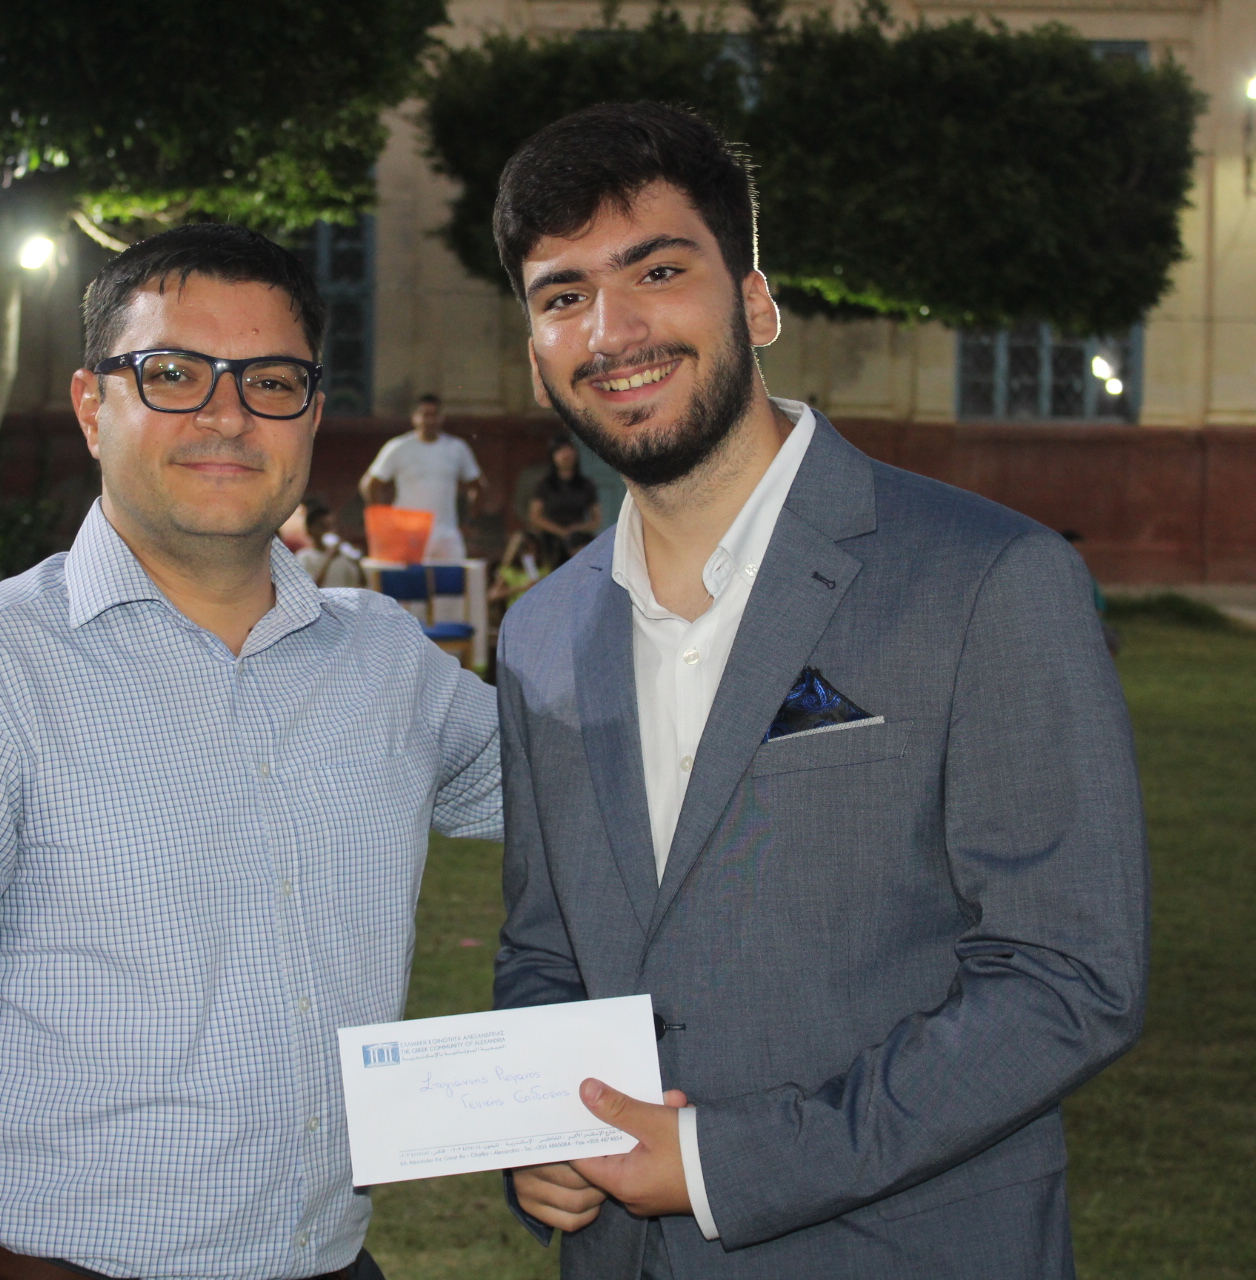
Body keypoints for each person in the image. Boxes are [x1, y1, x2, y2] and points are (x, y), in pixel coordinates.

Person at [489, 103, 1149, 1279]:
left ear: (755, 302)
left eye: (658, 271)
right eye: (563, 295)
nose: (612, 328)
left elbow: (1069, 975)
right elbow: (548, 952)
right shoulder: (540, 634)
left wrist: (720, 1163)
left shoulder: (989, 577)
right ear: (536, 346)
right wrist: (541, 1131)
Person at [0, 223, 501, 1280]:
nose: (226, 415)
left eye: (271, 381)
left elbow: (593, 790)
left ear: (311, 416)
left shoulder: (386, 664)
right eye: (172, 374)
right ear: (90, 406)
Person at [359, 393, 484, 561]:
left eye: (434, 415)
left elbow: (478, 486)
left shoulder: (456, 448)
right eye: (425, 415)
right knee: (409, 578)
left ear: (441, 418)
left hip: (446, 534)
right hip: (409, 534)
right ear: (415, 417)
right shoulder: (399, 447)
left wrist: (471, 521)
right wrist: (385, 523)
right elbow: (370, 484)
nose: (429, 420)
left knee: (454, 576)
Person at [527, 435, 602, 566]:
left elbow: (596, 519)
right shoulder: (545, 484)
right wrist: (561, 532)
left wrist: (578, 528)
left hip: (577, 539)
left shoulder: (586, 484)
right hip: (551, 539)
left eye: (569, 450)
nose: (566, 455)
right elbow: (535, 516)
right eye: (560, 451)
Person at [295, 497, 366, 589]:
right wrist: (328, 559)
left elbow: (361, 584)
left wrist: (357, 563)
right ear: (309, 530)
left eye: (331, 526)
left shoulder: (342, 557)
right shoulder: (304, 557)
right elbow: (310, 587)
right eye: (322, 526)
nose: (329, 531)